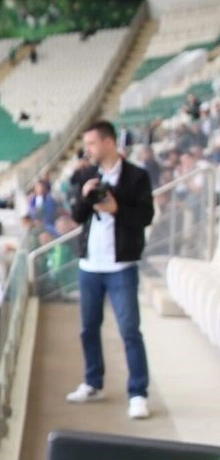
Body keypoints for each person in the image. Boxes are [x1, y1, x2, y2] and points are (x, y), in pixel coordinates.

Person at [66, 120, 154, 419]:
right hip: (89, 265)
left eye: (92, 143)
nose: (88, 149)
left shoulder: (137, 177)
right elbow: (77, 216)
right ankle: (93, 382)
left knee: (129, 331)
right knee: (88, 329)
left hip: (121, 266)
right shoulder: (86, 174)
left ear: (108, 142)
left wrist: (116, 209)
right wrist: (85, 195)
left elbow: (145, 216)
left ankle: (138, 393)